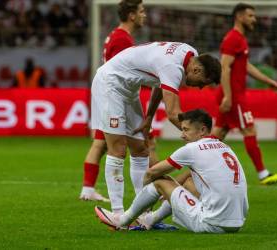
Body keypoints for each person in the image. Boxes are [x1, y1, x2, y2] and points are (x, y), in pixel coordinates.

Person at [91, 41, 221, 216]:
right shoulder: (173, 66)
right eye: (203, 83)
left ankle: (142, 212)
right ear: (197, 70)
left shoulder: (189, 52)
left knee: (141, 149)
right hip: (109, 84)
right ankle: (118, 214)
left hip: (128, 89)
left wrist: (149, 117)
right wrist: (203, 142)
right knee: (118, 149)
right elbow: (173, 113)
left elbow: (161, 82)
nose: (200, 88)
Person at [95, 109, 248, 233]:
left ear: (202, 130)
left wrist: (148, 198)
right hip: (236, 223)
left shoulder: (192, 149)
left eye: (186, 130)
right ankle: (150, 220)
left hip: (211, 224)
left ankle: (122, 220)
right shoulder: (224, 147)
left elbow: (151, 173)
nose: (182, 135)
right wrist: (174, 189)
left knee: (160, 181)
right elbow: (193, 174)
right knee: (189, 184)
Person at [212, 3, 277, 185]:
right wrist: (229, 97)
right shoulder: (233, 39)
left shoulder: (240, 39)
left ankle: (194, 166)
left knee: (218, 134)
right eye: (251, 15)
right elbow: (224, 67)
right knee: (249, 129)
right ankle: (263, 174)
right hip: (234, 96)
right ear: (239, 16)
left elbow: (245, 65)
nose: (254, 19)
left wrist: (267, 81)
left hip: (232, 94)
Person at [79, 0, 147, 202]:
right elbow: (121, 73)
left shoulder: (117, 36)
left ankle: (87, 189)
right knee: (137, 144)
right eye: (142, 11)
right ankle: (153, 188)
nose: (145, 15)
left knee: (100, 143)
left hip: (109, 95)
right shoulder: (122, 40)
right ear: (132, 15)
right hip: (114, 97)